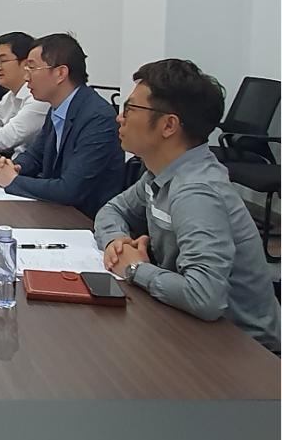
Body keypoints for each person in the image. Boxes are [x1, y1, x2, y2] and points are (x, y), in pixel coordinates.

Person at [95, 59, 280, 353]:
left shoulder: (197, 191)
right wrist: (116, 242)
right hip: (189, 323)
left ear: (169, 125)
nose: (120, 118)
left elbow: (205, 297)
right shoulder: (160, 172)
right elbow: (112, 210)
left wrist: (134, 269)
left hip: (244, 350)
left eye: (130, 109)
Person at [0, 33, 123, 217]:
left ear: (60, 73)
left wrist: (12, 180)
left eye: (32, 68)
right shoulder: (57, 108)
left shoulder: (98, 118)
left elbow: (70, 190)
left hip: (85, 221)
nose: (26, 77)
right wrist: (10, 166)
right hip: (56, 212)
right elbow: (35, 156)